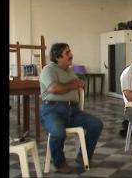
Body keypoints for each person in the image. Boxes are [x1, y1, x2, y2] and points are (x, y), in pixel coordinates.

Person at [39, 43, 103, 173]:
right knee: (58, 131)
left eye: (70, 52)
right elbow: (54, 88)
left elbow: (78, 84)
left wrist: (79, 83)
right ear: (58, 57)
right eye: (67, 53)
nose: (71, 55)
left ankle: (83, 157)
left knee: (96, 124)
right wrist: (73, 84)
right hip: (53, 111)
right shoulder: (48, 69)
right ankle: (59, 162)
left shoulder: (70, 71)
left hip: (73, 111)